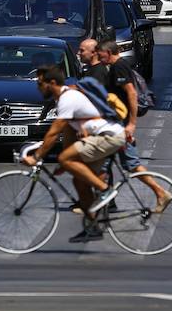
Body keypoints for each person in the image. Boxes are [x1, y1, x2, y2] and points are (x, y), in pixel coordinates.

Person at [22, 66, 126, 242]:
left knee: (65, 158)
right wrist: (66, 163)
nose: (38, 88)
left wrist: (37, 157)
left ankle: (105, 190)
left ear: (52, 83)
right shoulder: (62, 99)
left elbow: (54, 133)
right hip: (101, 137)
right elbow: (68, 136)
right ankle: (93, 227)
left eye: (40, 84)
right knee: (79, 181)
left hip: (109, 136)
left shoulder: (67, 99)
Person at [96, 41, 172, 211]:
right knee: (104, 164)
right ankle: (106, 201)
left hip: (120, 128)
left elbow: (131, 93)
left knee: (131, 164)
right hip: (114, 126)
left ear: (108, 52)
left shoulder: (119, 67)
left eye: (100, 54)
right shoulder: (116, 67)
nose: (99, 57)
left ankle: (160, 192)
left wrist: (131, 124)